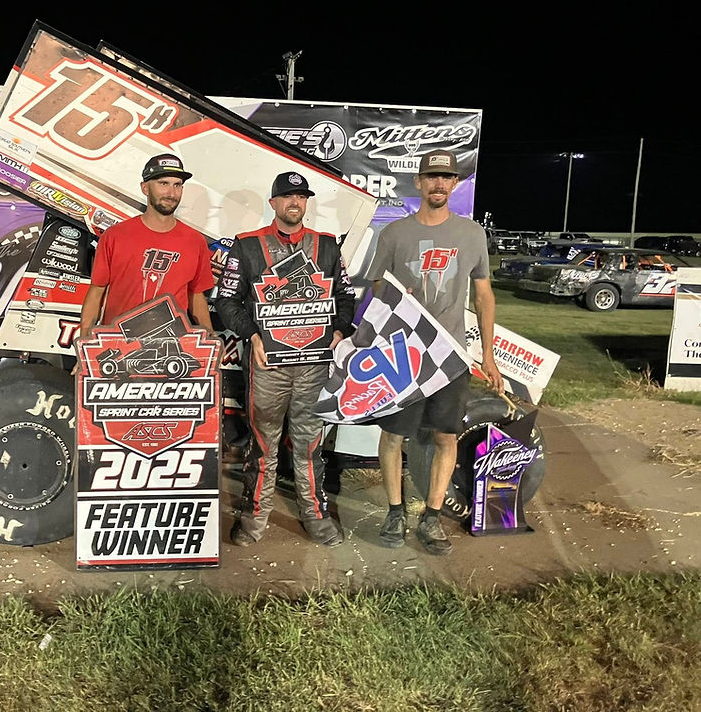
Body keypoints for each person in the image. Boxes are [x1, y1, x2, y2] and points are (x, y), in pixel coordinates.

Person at [367, 149, 503, 556]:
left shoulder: (471, 234)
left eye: (446, 177)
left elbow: (483, 295)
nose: (439, 184)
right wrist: (395, 295)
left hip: (451, 355)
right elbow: (376, 286)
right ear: (419, 183)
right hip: (405, 354)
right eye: (432, 177)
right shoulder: (394, 234)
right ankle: (395, 512)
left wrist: (489, 355)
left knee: (446, 435)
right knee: (393, 435)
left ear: (455, 184)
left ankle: (431, 516)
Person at [216, 171, 355, 548]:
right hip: (267, 367)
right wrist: (252, 334)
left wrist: (338, 331)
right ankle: (254, 517)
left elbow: (345, 297)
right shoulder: (247, 245)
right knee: (263, 442)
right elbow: (226, 301)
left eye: (301, 196)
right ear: (273, 203)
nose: (295, 202)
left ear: (306, 203)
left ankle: (315, 514)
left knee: (310, 443)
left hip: (313, 367)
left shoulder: (327, 246)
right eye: (288, 196)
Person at [79, 153, 215, 335]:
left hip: (171, 345)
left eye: (177, 185)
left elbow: (196, 295)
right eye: (163, 183)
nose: (171, 193)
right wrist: (85, 341)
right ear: (145, 188)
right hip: (119, 343)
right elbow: (97, 292)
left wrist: (209, 335)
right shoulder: (115, 236)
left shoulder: (195, 241)